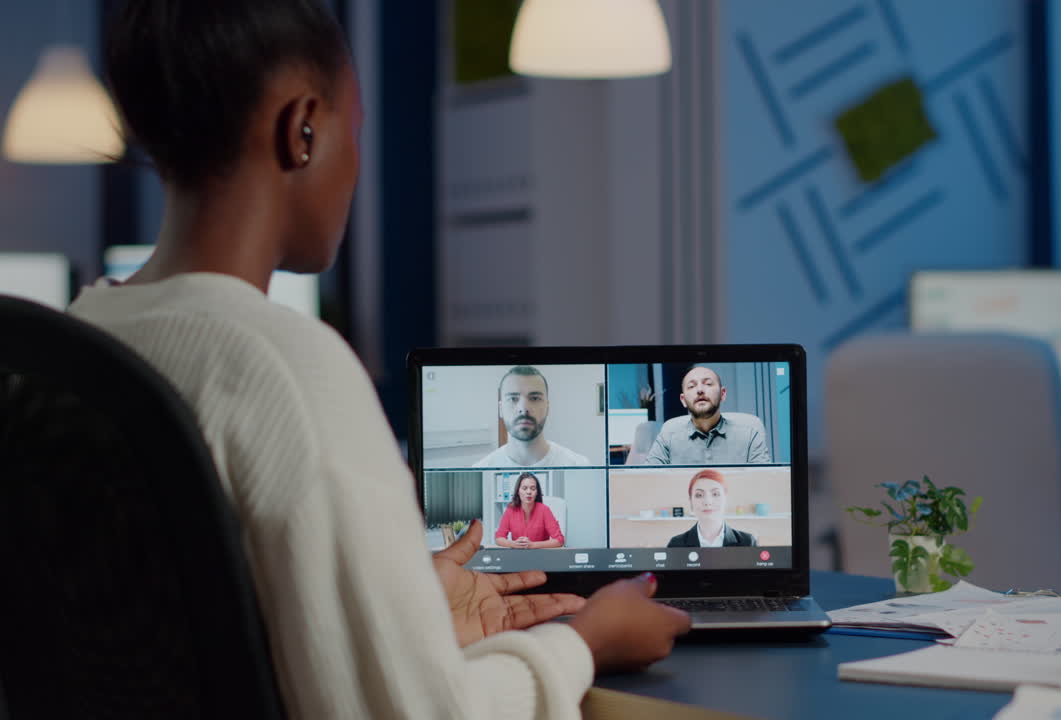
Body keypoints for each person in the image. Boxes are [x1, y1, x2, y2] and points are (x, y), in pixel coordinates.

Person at [69, 2, 689, 717]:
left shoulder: (86, 333)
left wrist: (403, 610)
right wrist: (587, 641)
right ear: (302, 127)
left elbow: (196, 624)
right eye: (353, 131)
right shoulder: (290, 369)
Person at [645, 366, 773, 465]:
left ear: (723, 394)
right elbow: (649, 480)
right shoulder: (668, 435)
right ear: (683, 400)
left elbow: (764, 481)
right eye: (691, 386)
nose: (700, 390)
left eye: (708, 384)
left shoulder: (750, 434)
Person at [473, 366, 590, 467]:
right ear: (500, 409)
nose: (524, 408)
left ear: (547, 407)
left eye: (534, 398)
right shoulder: (480, 468)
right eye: (513, 399)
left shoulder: (579, 465)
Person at [666, 469, 758, 547]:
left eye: (715, 494)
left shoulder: (747, 542)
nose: (707, 502)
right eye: (699, 495)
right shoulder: (676, 544)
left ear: (725, 499)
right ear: (691, 501)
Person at [495, 472, 565, 549]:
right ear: (518, 491)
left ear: (537, 492)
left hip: (540, 557)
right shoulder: (510, 510)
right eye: (524, 488)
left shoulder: (544, 510)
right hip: (517, 556)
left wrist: (532, 545)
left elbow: (559, 540)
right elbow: (499, 538)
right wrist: (513, 544)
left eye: (533, 489)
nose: (528, 492)